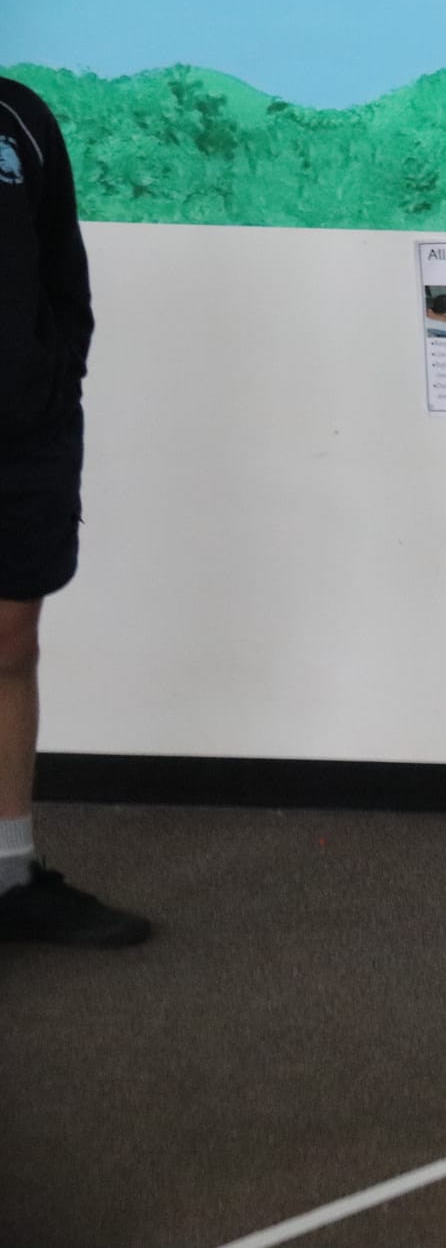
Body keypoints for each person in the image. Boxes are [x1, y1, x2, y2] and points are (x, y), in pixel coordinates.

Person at [0, 77, 151, 946]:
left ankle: (8, 875)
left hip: (23, 438)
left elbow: (62, 270)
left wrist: (55, 385)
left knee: (10, 645)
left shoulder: (17, 119)